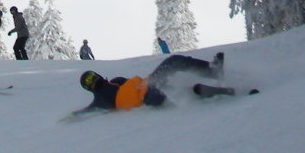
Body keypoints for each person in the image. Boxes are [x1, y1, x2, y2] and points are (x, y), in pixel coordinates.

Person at [76, 51, 230, 112]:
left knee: (173, 61)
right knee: (170, 93)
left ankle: (213, 72)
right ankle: (193, 92)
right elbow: (85, 112)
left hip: (150, 82)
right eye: (89, 81)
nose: (93, 80)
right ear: (89, 88)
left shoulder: (117, 81)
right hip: (146, 97)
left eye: (92, 76)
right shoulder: (99, 100)